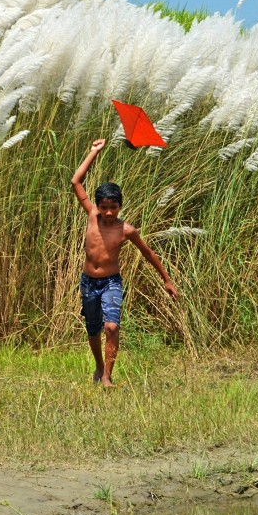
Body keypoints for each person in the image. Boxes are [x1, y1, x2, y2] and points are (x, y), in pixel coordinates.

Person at [71, 139, 179, 387]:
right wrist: (93, 152)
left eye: (114, 207)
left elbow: (148, 253)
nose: (109, 212)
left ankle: (108, 375)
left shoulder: (126, 230)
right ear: (97, 205)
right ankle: (98, 365)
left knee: (111, 326)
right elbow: (76, 182)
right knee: (93, 329)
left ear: (120, 206)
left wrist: (167, 280)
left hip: (111, 282)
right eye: (104, 207)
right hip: (88, 282)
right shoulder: (91, 216)